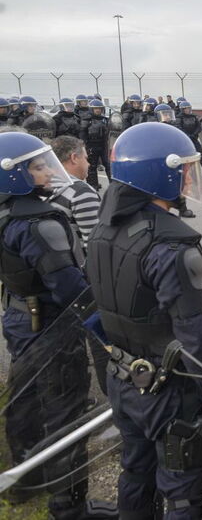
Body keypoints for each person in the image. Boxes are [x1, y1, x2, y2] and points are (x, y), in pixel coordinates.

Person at [86, 122, 202, 519]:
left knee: (137, 470)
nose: (188, 176)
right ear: (158, 172)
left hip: (123, 377)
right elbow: (197, 336)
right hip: (170, 390)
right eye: (183, 168)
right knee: (186, 490)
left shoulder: (102, 228)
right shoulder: (172, 245)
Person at [0, 131, 117, 520]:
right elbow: (72, 290)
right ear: (13, 173)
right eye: (37, 166)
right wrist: (109, 333)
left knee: (25, 400)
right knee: (65, 410)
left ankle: (25, 481)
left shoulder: (7, 212)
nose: (49, 169)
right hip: (52, 325)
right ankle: (68, 507)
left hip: (19, 316)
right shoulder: (39, 222)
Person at [48, 135, 101, 248]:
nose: (89, 164)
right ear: (74, 158)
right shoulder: (81, 193)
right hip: (77, 262)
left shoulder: (44, 185)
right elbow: (94, 243)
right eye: (86, 159)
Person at [79, 98, 111, 189]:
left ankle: (113, 184)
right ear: (91, 109)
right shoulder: (86, 120)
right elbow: (82, 134)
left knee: (108, 165)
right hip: (91, 146)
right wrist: (85, 146)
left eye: (99, 108)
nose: (98, 110)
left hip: (104, 145)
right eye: (96, 108)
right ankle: (93, 185)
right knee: (92, 167)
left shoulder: (105, 120)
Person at [176, 100, 202, 177]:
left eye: (189, 108)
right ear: (182, 109)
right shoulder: (179, 118)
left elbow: (199, 126)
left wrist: (195, 133)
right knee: (186, 156)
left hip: (194, 138)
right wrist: (188, 135)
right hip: (185, 140)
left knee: (201, 154)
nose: (188, 110)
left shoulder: (194, 117)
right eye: (186, 109)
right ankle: (185, 172)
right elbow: (179, 128)